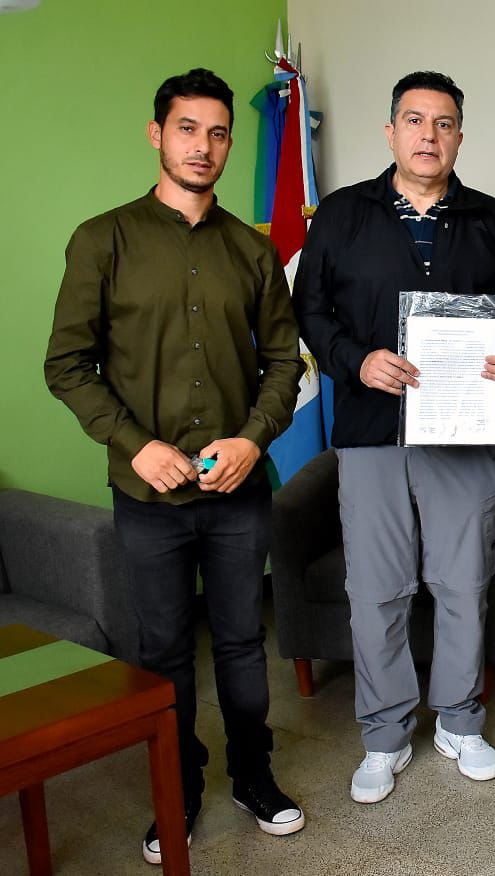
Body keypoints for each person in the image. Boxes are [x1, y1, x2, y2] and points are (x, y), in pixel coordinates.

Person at [44, 68, 306, 864]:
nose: (204, 146)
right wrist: (137, 445)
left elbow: (284, 362)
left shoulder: (252, 249)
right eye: (188, 129)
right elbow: (67, 365)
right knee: (162, 651)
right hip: (147, 493)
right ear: (157, 134)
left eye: (218, 132)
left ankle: (252, 775)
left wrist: (254, 439)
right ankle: (178, 789)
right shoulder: (103, 239)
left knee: (241, 643)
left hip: (236, 488)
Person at [293, 71, 495, 803]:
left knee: (463, 582)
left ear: (460, 136)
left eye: (444, 123)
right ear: (391, 132)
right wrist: (356, 360)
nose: (429, 135)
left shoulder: (489, 218)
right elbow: (309, 311)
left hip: (460, 432)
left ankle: (459, 720)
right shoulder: (341, 214)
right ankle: (385, 735)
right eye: (415, 120)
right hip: (369, 431)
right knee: (377, 590)